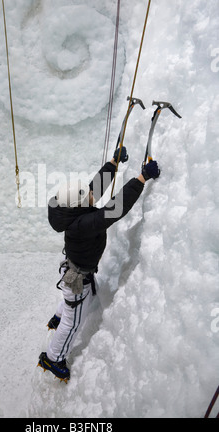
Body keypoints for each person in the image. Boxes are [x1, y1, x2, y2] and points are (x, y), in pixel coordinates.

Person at [38, 146, 160, 382]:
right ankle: (53, 359)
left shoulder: (70, 209)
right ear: (81, 204)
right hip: (78, 278)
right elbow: (114, 209)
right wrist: (141, 178)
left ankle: (57, 316)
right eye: (88, 197)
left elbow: (93, 188)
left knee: (71, 304)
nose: (92, 195)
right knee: (73, 323)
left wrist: (113, 163)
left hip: (75, 269)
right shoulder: (82, 224)